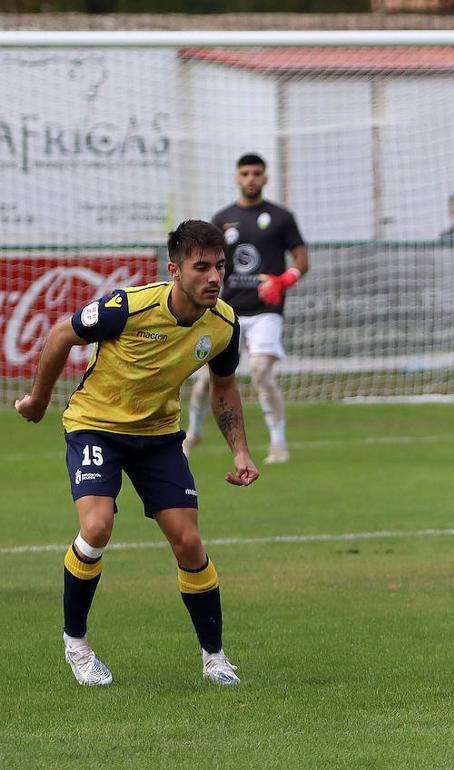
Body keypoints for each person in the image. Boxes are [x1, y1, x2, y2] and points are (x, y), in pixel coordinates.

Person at [14, 220, 260, 687]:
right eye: (201, 267)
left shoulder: (224, 323)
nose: (213, 277)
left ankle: (215, 658)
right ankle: (78, 645)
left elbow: (224, 388)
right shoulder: (127, 307)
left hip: (158, 435)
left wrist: (241, 451)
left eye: (220, 267)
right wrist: (39, 400)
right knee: (97, 526)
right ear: (174, 270)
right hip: (95, 426)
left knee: (189, 543)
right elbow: (60, 336)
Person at [184, 153, 309, 464]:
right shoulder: (222, 218)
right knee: (204, 382)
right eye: (245, 173)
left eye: (256, 173)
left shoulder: (281, 217)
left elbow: (302, 260)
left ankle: (278, 444)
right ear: (237, 178)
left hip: (266, 310)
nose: (251, 178)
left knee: (261, 373)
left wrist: (284, 280)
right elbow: (206, 263)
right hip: (228, 312)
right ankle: (192, 433)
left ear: (265, 178)